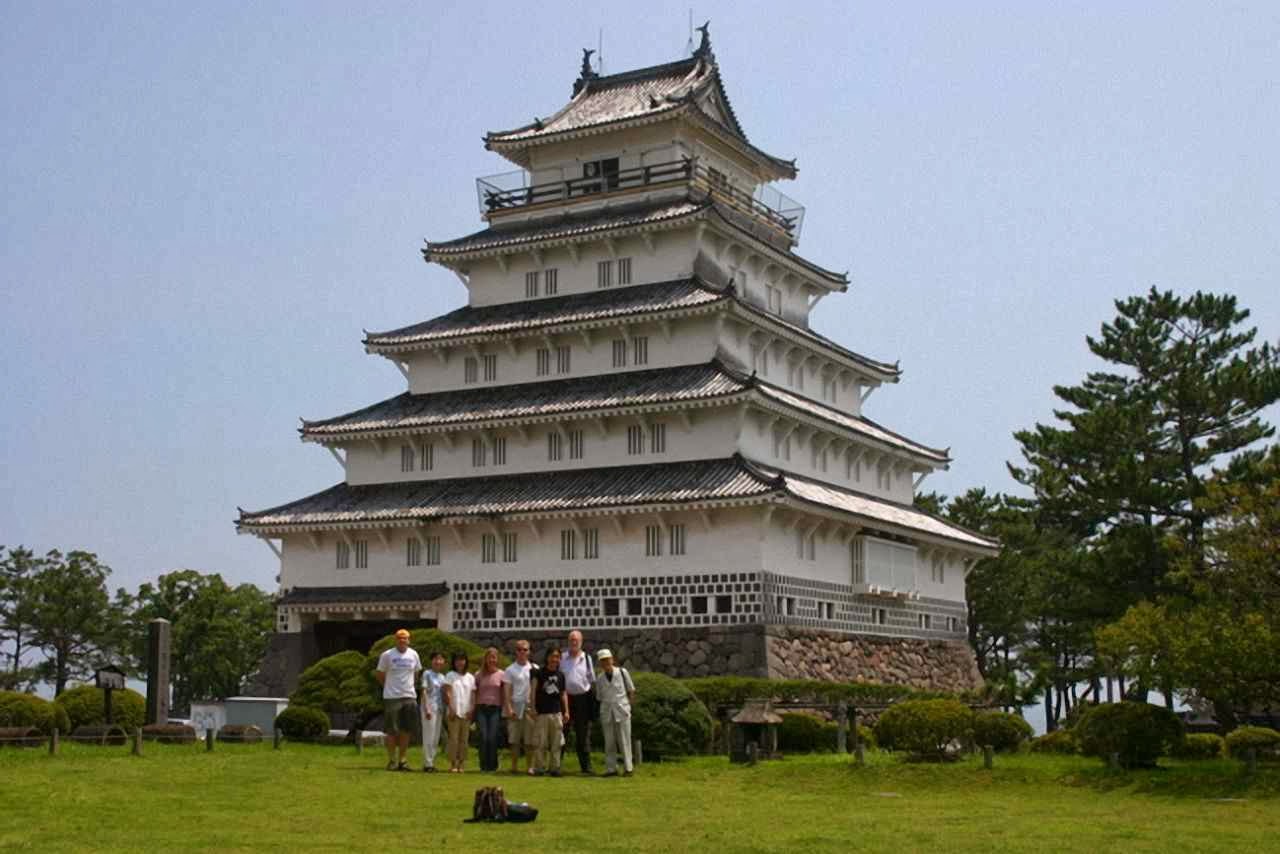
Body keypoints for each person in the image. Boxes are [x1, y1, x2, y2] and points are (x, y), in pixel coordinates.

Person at [374, 629, 422, 772]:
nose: (403, 641)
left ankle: (403, 759)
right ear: (396, 640)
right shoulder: (387, 655)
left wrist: (409, 687)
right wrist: (388, 686)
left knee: (406, 730)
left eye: (405, 638)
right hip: (392, 697)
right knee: (391, 730)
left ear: (409, 640)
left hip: (409, 696)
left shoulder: (414, 654)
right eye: (400, 638)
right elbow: (379, 674)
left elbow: (416, 673)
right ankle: (392, 760)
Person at [593, 649, 637, 777]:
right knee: (609, 741)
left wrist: (629, 707)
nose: (605, 662)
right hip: (607, 711)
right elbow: (599, 697)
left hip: (622, 710)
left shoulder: (623, 672)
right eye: (602, 660)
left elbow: (631, 690)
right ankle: (611, 769)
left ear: (612, 659)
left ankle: (628, 768)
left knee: (624, 740)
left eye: (607, 659)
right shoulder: (600, 678)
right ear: (600, 663)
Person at [559, 629, 595, 774]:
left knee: (583, 734)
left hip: (582, 699)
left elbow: (591, 680)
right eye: (571, 640)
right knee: (562, 733)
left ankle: (586, 767)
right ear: (568, 642)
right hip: (566, 699)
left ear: (581, 642)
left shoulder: (587, 658)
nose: (574, 642)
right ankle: (556, 765)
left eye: (576, 640)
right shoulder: (562, 658)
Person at [529, 647, 569, 777]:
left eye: (557, 657)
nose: (554, 659)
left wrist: (566, 711)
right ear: (547, 657)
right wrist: (533, 707)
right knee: (540, 742)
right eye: (552, 656)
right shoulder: (539, 673)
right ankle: (540, 768)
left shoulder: (561, 675)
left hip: (556, 712)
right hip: (542, 713)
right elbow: (533, 691)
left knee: (556, 743)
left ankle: (555, 768)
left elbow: (563, 694)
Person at [502, 639, 536, 775]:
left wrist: (534, 708)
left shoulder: (534, 668)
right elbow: (507, 691)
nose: (522, 652)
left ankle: (530, 767)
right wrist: (509, 708)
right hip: (515, 706)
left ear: (529, 651)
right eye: (519, 649)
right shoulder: (510, 669)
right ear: (516, 652)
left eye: (525, 649)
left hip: (529, 707)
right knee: (514, 740)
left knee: (529, 741)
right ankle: (514, 766)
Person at [474, 647, 507, 773]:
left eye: (494, 657)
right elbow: (475, 692)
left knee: (492, 737)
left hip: (495, 709)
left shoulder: (502, 674)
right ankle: (483, 766)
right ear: (486, 659)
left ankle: (492, 766)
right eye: (489, 657)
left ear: (497, 659)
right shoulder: (478, 674)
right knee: (483, 736)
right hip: (481, 708)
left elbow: (504, 693)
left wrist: (505, 708)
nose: (492, 660)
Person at [442, 652, 476, 773]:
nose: (460, 663)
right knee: (453, 739)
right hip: (453, 712)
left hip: (466, 712)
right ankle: (453, 764)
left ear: (466, 661)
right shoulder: (450, 675)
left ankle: (461, 763)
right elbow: (447, 692)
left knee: (464, 740)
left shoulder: (470, 677)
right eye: (457, 660)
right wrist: (451, 708)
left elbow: (472, 695)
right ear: (454, 662)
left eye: (462, 660)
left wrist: (471, 709)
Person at [419, 651, 447, 772]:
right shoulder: (427, 673)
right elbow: (424, 691)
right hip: (429, 707)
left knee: (435, 737)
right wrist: (427, 708)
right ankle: (427, 763)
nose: (438, 661)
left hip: (439, 708)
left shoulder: (442, 677)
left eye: (440, 659)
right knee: (428, 736)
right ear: (432, 661)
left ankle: (431, 762)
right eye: (436, 659)